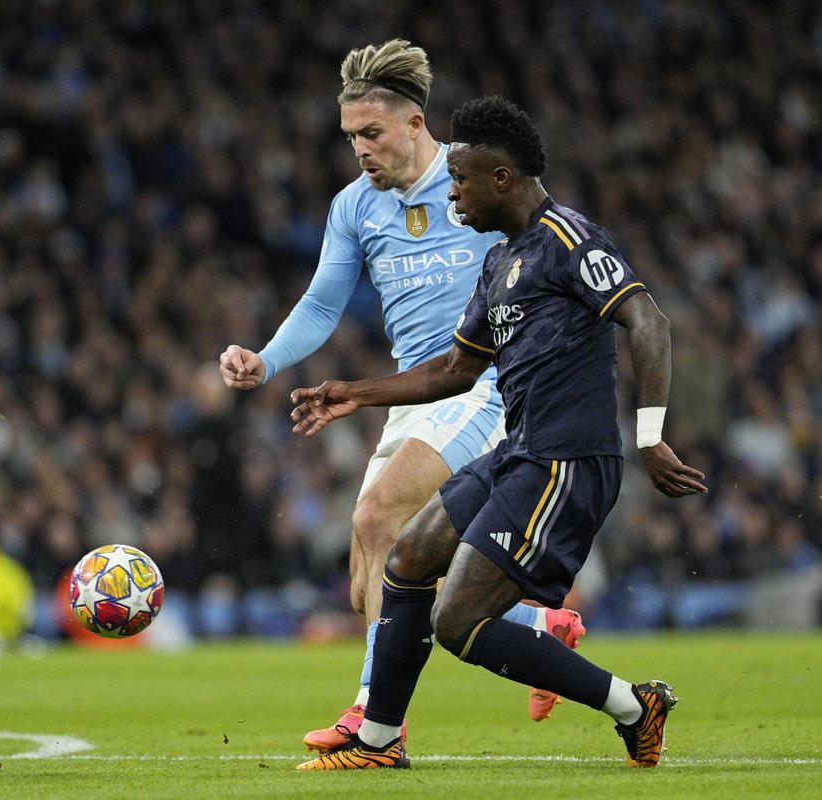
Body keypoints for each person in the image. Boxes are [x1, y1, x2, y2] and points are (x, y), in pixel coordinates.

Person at [290, 96, 706, 770]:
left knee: (458, 621)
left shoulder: (569, 239)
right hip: (520, 452)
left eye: (460, 179)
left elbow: (648, 321)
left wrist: (650, 436)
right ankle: (378, 740)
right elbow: (454, 370)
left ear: (502, 178)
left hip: (566, 462)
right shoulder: (499, 263)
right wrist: (355, 393)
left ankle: (634, 705)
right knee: (408, 558)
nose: (452, 192)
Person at [218, 39, 584, 751]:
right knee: (376, 583)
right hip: (414, 393)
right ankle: (541, 626)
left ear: (416, 123)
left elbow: (547, 252)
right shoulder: (354, 206)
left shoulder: (475, 182)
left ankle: (375, 720)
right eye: (350, 136)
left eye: (372, 133)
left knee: (378, 515)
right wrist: (265, 360)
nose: (360, 149)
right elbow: (322, 303)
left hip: (486, 384)